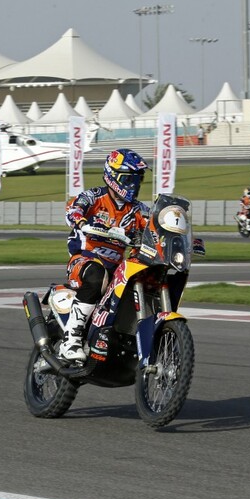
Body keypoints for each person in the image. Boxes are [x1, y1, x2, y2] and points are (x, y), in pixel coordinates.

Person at [61, 148, 150, 362]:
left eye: (138, 179)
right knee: (97, 275)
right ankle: (70, 340)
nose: (134, 184)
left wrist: (179, 237)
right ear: (114, 177)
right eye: (129, 179)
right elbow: (73, 209)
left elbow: (155, 227)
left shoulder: (139, 209)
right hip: (84, 259)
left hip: (118, 268)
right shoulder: (94, 197)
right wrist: (82, 221)